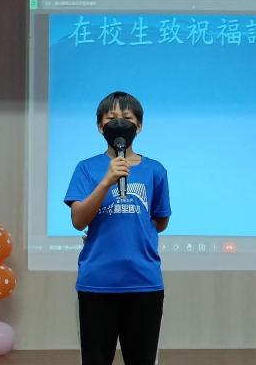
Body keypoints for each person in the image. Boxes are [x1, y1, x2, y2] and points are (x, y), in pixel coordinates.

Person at [64, 91, 171, 365]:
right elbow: (78, 220)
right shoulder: (86, 168)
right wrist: (106, 181)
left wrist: (136, 228)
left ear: (139, 126)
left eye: (127, 117)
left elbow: (160, 220)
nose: (119, 123)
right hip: (97, 282)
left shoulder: (155, 170)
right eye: (111, 118)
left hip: (143, 281)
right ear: (100, 126)